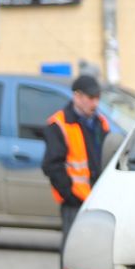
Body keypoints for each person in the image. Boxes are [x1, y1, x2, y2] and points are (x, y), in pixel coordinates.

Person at [42, 74, 112, 250]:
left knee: (95, 250)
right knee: (73, 250)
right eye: (90, 98)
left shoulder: (100, 122)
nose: (95, 104)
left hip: (98, 199)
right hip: (75, 202)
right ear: (77, 96)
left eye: (97, 99)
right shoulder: (59, 124)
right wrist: (70, 195)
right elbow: (52, 165)